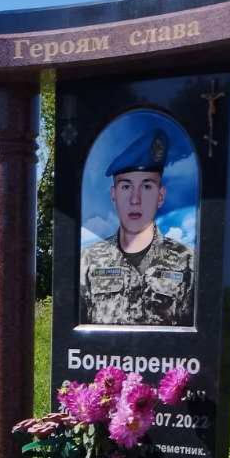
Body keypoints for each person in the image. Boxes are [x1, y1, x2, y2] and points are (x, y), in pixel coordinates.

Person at [80, 125, 194, 326]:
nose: (135, 199)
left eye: (147, 186)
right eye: (126, 187)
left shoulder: (187, 262)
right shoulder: (89, 260)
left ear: (160, 196)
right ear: (114, 194)